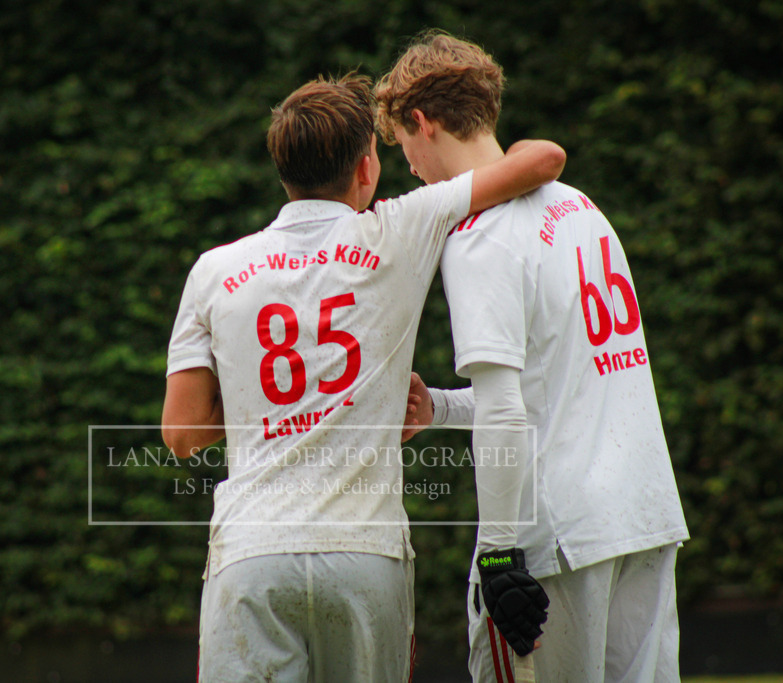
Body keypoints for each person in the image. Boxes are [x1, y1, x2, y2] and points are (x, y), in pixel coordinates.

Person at [161, 72, 564, 682]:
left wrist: (272, 408)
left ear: (282, 171)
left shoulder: (213, 269)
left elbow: (182, 432)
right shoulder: (401, 226)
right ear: (367, 167)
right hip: (366, 556)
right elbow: (543, 159)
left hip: (250, 554)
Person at [377, 32, 690, 682]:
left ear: (421, 122)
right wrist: (437, 406)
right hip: (646, 514)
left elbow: (504, 409)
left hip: (557, 539)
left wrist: (497, 552)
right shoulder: (583, 207)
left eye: (402, 144)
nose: (406, 163)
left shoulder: (479, 238)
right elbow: (558, 383)